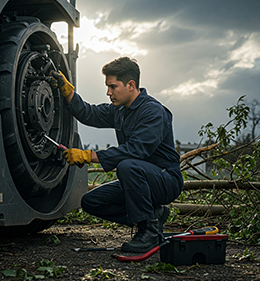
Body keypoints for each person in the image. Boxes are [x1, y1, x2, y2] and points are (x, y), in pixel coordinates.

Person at [51, 57, 183, 253]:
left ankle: (149, 232)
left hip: (165, 180)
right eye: (107, 87)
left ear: (131, 85)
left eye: (113, 86)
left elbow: (136, 150)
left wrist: (89, 156)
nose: (108, 92)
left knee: (127, 165)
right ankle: (153, 215)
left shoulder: (153, 111)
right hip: (138, 180)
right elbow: (89, 113)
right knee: (91, 202)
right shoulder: (119, 110)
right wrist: (68, 92)